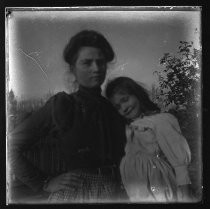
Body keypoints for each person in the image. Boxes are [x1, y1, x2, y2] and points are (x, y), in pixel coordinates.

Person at [8, 30, 128, 203]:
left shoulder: (113, 108)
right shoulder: (62, 105)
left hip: (116, 191)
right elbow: (10, 145)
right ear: (73, 68)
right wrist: (44, 182)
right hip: (77, 193)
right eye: (87, 63)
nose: (96, 68)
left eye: (100, 62)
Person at [105, 76, 192, 202]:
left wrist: (185, 196)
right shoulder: (126, 130)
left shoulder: (160, 120)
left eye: (125, 100)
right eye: (118, 107)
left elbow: (180, 164)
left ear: (137, 94)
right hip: (137, 193)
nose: (124, 108)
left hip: (160, 189)